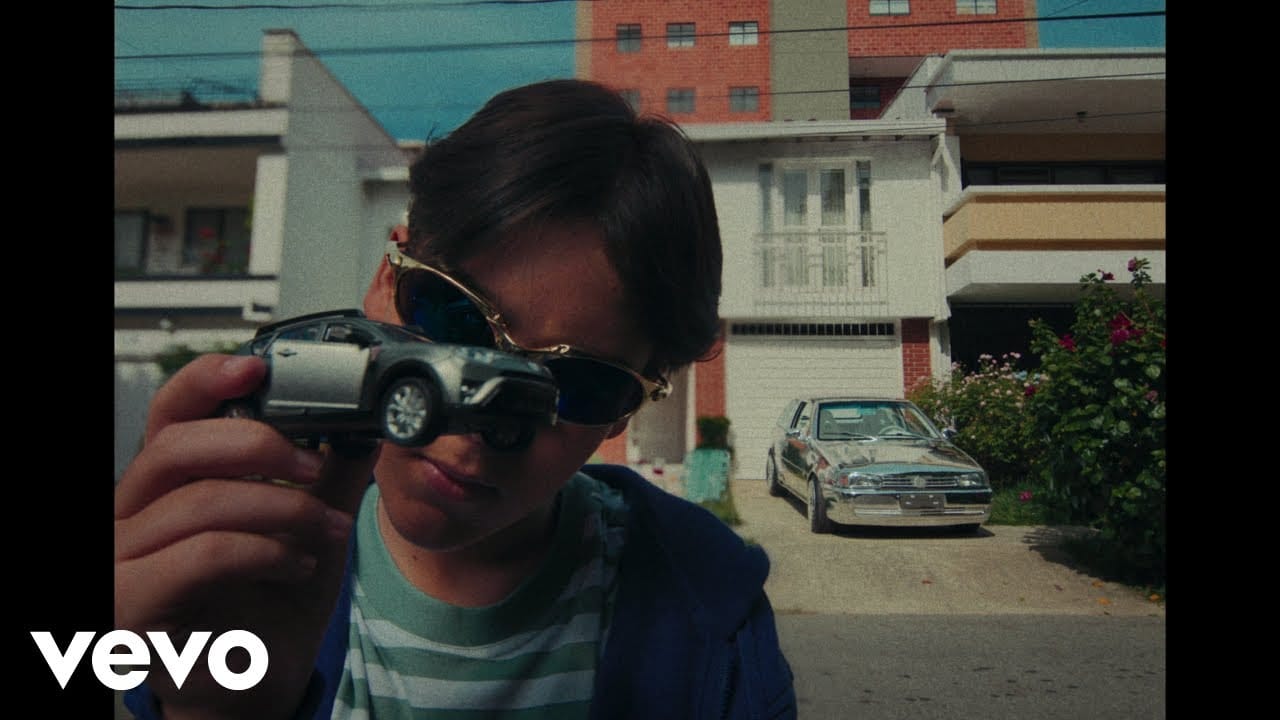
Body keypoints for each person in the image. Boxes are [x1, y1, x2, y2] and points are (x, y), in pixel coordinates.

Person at [117, 78, 796, 719]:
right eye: (454, 319)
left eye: (577, 384)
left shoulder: (710, 611)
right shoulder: (238, 559)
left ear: (624, 410)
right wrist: (217, 707)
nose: (478, 425)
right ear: (387, 282)